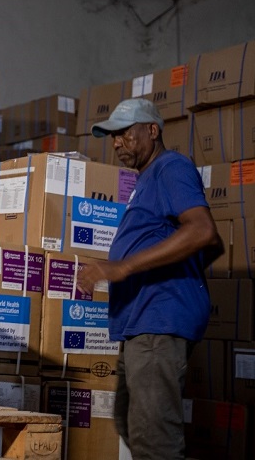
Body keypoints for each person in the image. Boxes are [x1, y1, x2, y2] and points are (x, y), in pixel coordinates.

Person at [75, 98, 223, 460]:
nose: (116, 143)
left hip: (159, 319)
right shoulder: (145, 182)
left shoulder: (170, 167)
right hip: (141, 321)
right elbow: (213, 246)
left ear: (152, 131)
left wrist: (122, 267)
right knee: (129, 422)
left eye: (124, 133)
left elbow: (204, 232)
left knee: (155, 441)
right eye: (112, 137)